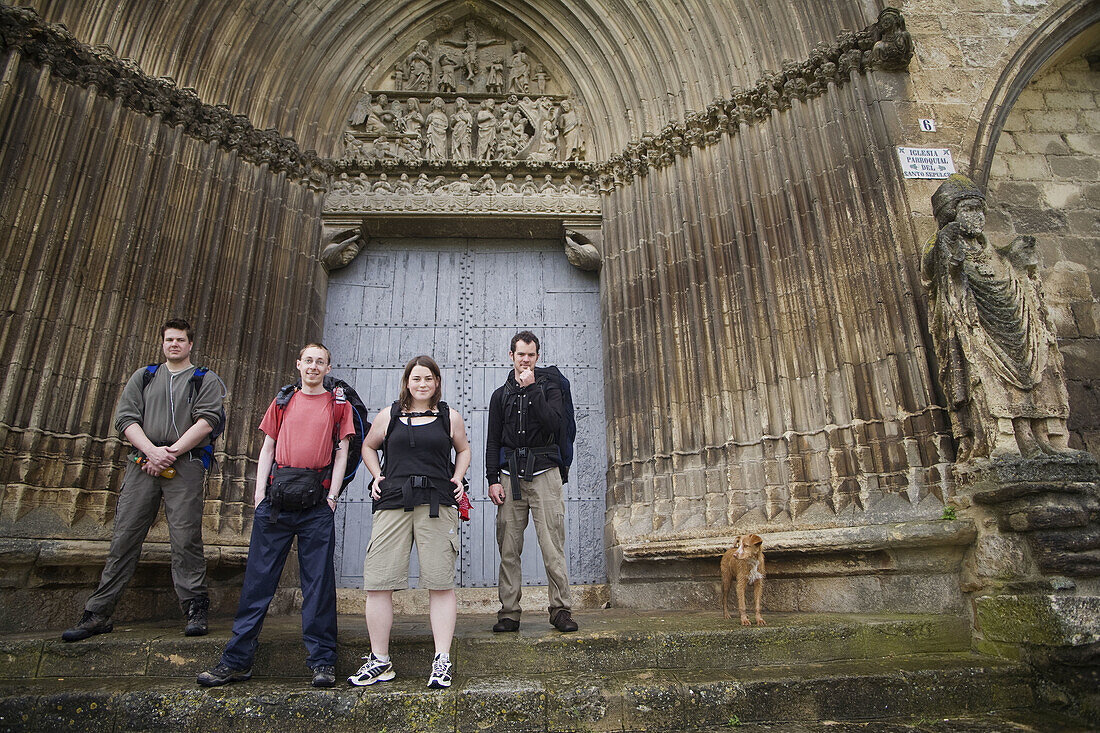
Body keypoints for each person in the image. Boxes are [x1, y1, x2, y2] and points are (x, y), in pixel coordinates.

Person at [197, 343, 354, 688]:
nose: (313, 366)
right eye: (308, 361)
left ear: (328, 367)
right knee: (257, 582)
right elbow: (267, 446)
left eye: (320, 362)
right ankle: (237, 660)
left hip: (316, 505)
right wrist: (258, 494)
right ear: (299, 365)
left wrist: (332, 497)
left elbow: (342, 453)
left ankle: (323, 661)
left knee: (318, 586)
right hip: (276, 501)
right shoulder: (283, 400)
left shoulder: (338, 405)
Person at [62, 319, 224, 642]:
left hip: (186, 464)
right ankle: (98, 612)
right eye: (169, 340)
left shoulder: (205, 379)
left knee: (185, 537)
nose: (174, 344)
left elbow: (208, 421)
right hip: (142, 463)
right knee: (125, 535)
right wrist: (151, 452)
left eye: (180, 340)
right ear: (162, 343)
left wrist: (169, 453)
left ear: (190, 344)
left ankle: (195, 606)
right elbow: (125, 418)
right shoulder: (145, 376)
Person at [348, 356, 470, 689]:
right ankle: (379, 661)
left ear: (437, 382)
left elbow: (464, 450)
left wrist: (457, 477)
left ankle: (441, 660)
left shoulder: (449, 418)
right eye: (416, 378)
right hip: (393, 503)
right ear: (406, 381)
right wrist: (377, 476)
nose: (421, 384)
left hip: (436, 503)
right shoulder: (388, 416)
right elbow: (369, 447)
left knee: (441, 583)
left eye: (428, 379)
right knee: (378, 583)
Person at [486, 331, 578, 633]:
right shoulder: (500, 395)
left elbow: (555, 423)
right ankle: (509, 612)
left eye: (531, 354)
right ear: (510, 355)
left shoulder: (550, 388)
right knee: (509, 548)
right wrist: (492, 479)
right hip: (510, 477)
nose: (526, 359)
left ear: (537, 357)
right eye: (521, 354)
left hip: (545, 475)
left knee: (552, 546)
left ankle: (560, 609)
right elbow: (493, 440)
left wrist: (534, 389)